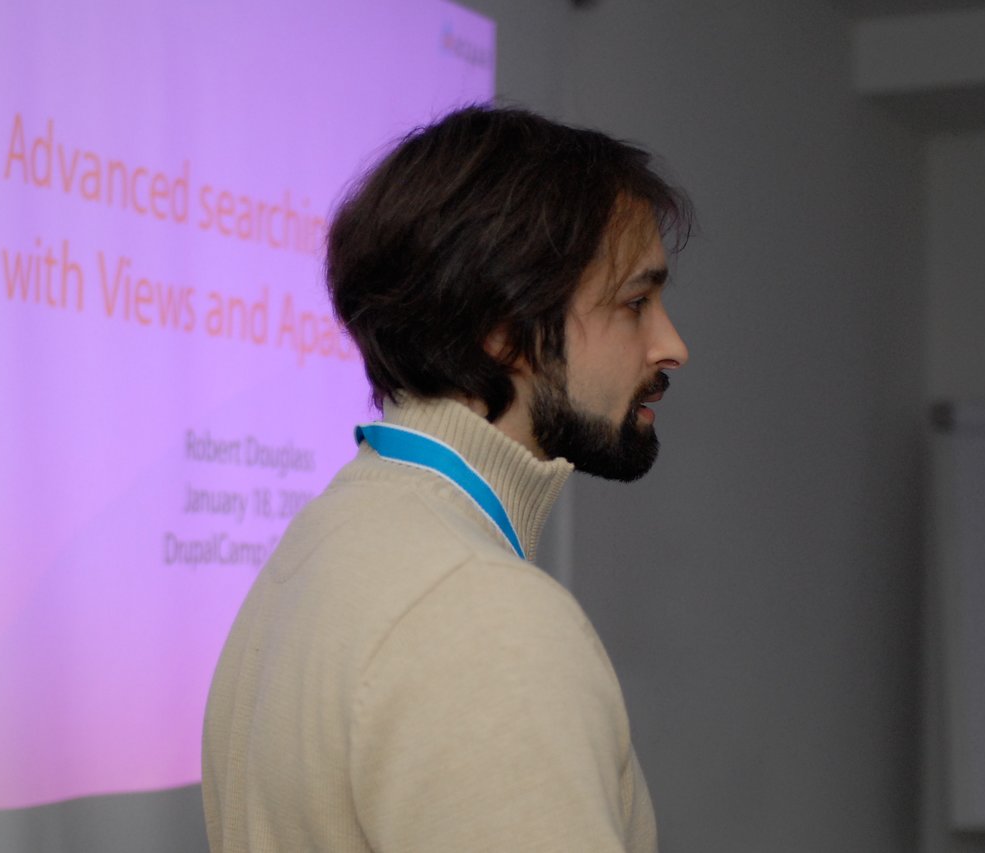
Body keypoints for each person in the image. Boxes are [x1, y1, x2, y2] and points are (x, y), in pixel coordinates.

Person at [201, 104, 691, 853]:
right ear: (502, 329)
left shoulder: (323, 546)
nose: (672, 345)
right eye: (634, 303)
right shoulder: (482, 613)